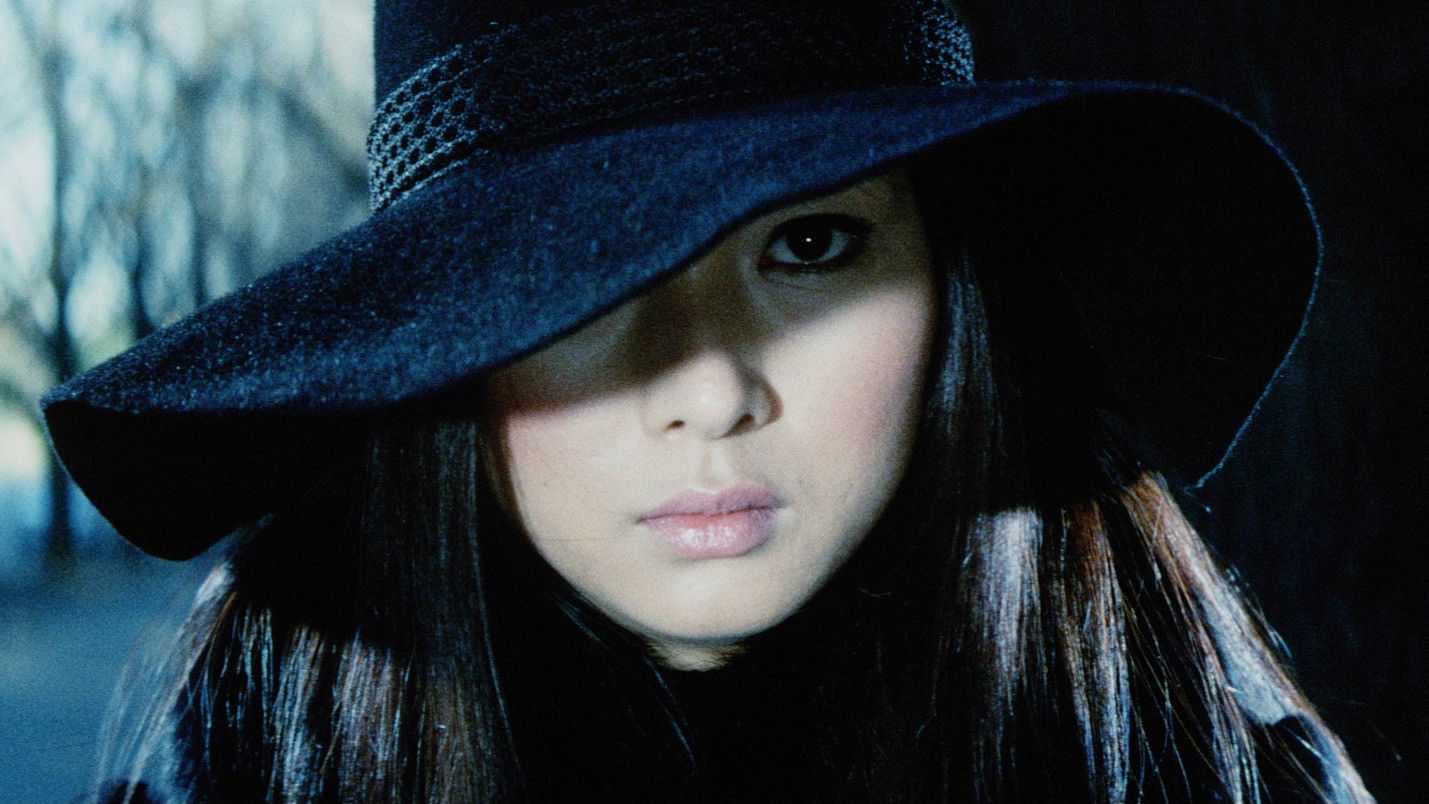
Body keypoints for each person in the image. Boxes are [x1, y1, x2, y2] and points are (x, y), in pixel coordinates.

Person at [43, 1, 1372, 801]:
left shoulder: (1225, 769)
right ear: (442, 348)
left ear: (949, 283)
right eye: (577, 278)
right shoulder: (229, 767)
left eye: (809, 244)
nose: (708, 389)